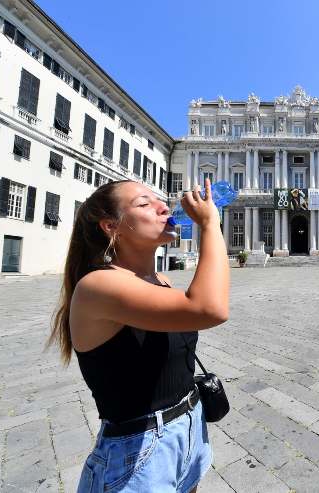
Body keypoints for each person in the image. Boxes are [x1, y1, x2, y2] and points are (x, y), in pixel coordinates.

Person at [48, 179, 229, 493]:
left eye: (159, 200)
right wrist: (210, 223)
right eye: (144, 204)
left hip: (187, 432)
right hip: (137, 456)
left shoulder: (159, 280)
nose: (164, 207)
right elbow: (209, 308)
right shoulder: (98, 286)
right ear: (111, 227)